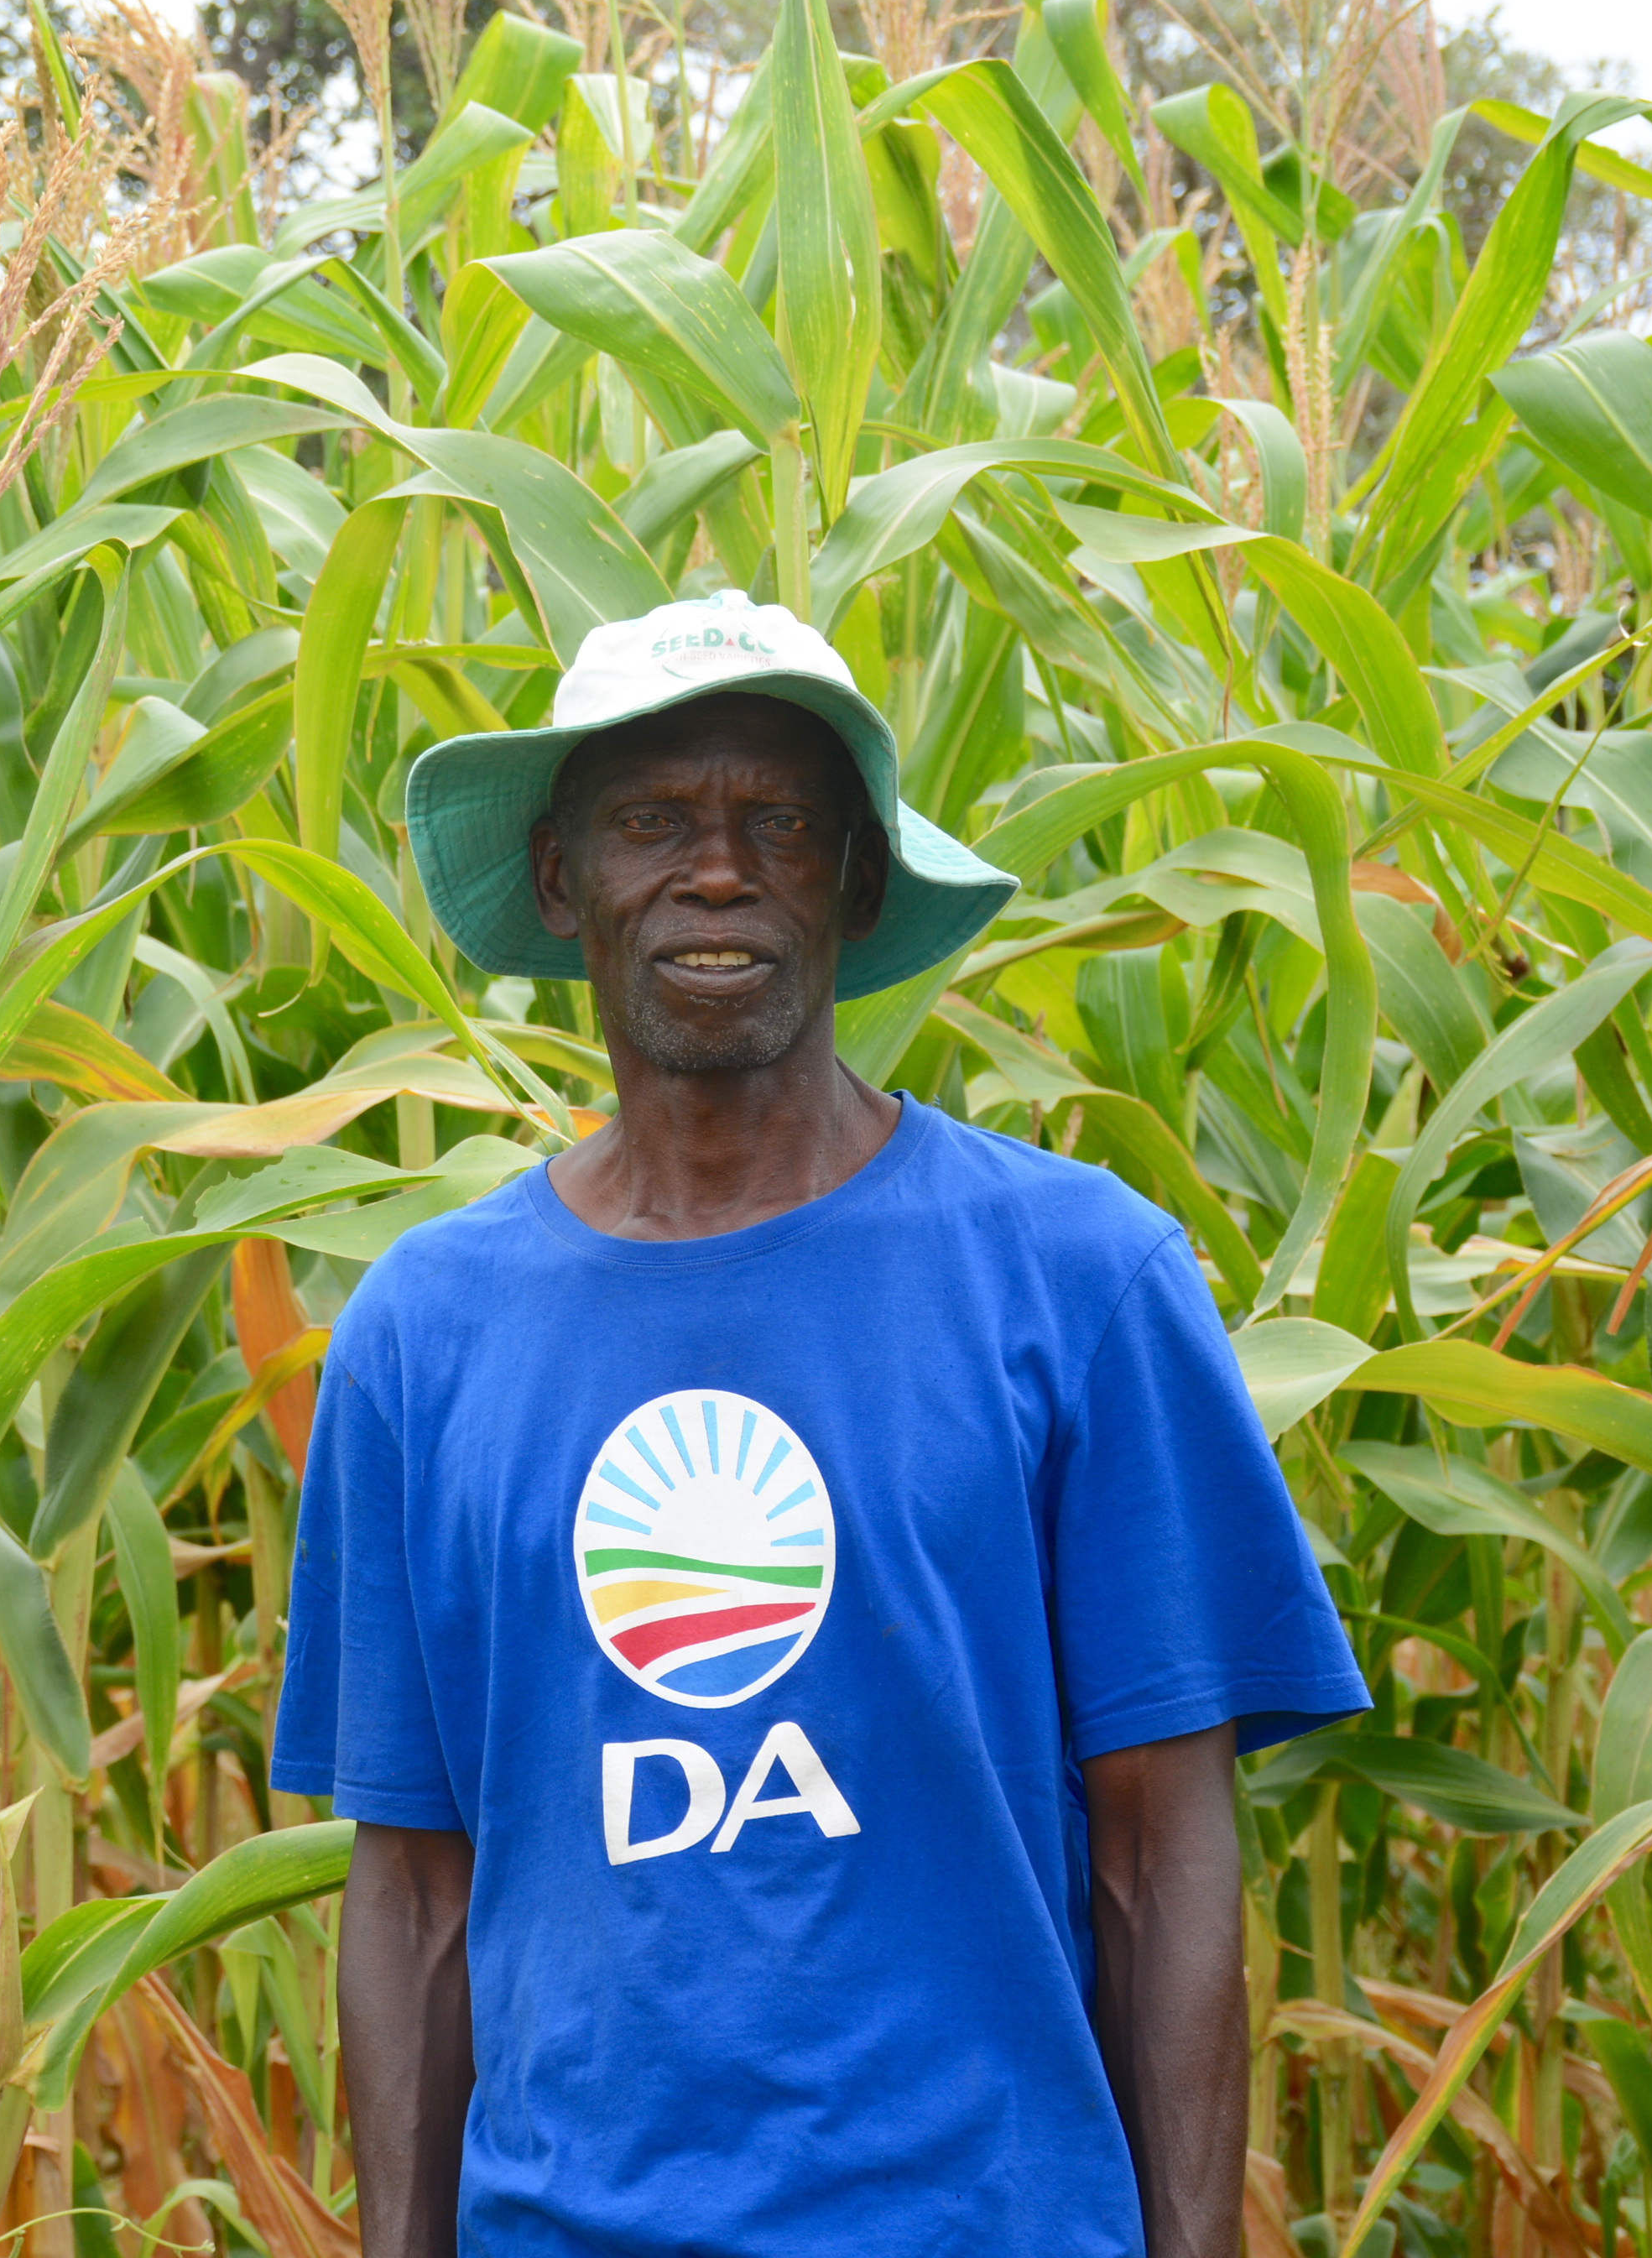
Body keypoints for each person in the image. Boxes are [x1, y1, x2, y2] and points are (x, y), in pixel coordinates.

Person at [275, 590, 1366, 2258]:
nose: (714, 872)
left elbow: (1165, 1844)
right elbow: (414, 1893)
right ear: (563, 880)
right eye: (650, 822)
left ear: (853, 881)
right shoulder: (423, 1336)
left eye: (774, 822)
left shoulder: (1078, 1281)